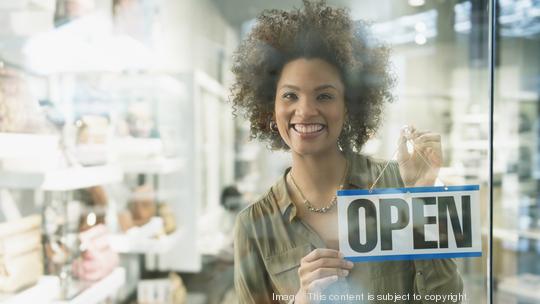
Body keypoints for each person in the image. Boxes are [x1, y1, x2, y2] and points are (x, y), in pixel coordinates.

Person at [229, 1, 462, 303]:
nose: (306, 110)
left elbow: (448, 299)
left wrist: (421, 199)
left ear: (349, 105)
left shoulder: (398, 184)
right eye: (290, 95)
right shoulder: (254, 224)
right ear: (269, 107)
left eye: (324, 95)